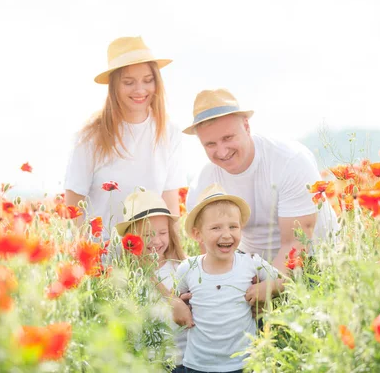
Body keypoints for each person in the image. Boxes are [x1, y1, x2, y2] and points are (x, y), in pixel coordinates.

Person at [183, 89, 339, 275]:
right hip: (251, 263)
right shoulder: (202, 184)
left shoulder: (290, 160)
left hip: (317, 260)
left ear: (246, 126)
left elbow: (295, 242)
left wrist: (268, 287)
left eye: (228, 138)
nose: (222, 151)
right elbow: (211, 256)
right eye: (210, 144)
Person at [64, 36, 185, 236]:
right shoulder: (90, 137)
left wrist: (173, 258)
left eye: (148, 80)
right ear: (114, 87)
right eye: (129, 82)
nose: (140, 90)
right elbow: (74, 204)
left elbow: (170, 203)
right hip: (102, 254)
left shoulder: (169, 132)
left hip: (150, 253)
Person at [171, 184, 284, 373]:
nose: (227, 234)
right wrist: (175, 303)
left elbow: (286, 281)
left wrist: (270, 287)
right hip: (198, 365)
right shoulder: (188, 268)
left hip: (244, 364)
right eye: (216, 227)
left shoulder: (251, 262)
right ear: (198, 234)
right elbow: (175, 298)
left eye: (233, 226)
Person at [115, 189, 188, 372]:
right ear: (132, 238)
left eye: (162, 232)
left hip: (184, 358)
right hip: (147, 362)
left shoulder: (181, 267)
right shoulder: (129, 276)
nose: (156, 240)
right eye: (148, 235)